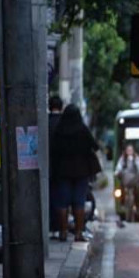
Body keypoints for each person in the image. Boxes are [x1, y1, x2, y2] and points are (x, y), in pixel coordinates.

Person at [50, 104, 101, 242]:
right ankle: (79, 233)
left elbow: (54, 150)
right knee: (79, 202)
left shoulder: (60, 130)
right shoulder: (82, 130)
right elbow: (94, 146)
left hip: (63, 172)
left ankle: (63, 232)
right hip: (81, 172)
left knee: (63, 203)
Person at [114, 144, 139, 224]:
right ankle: (123, 205)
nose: (129, 152)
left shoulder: (137, 158)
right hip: (126, 181)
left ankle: (138, 207)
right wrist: (117, 172)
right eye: (128, 150)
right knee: (122, 191)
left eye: (131, 150)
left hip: (135, 180)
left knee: (137, 192)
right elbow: (119, 167)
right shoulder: (123, 159)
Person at [47, 95, 64, 233]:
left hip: (47, 166)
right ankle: (60, 227)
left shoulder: (45, 122)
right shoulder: (65, 122)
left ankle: (51, 226)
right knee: (61, 198)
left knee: (49, 197)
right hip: (63, 167)